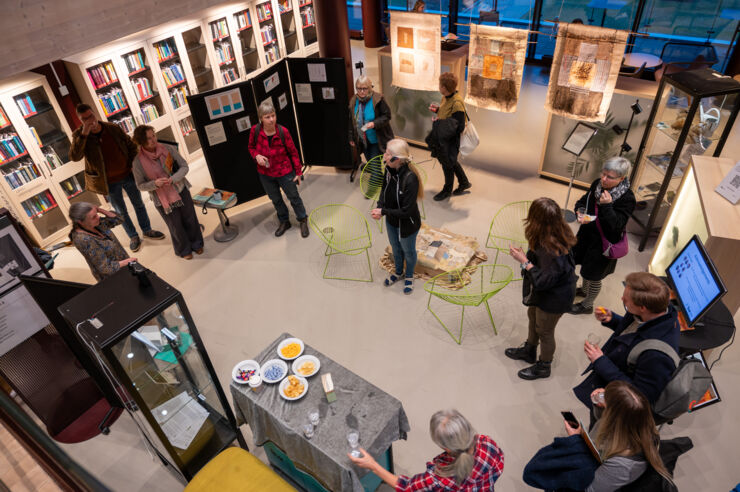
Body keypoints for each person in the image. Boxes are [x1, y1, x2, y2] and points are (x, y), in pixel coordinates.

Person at [573, 272, 679, 415]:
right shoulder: (659, 312)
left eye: (626, 300)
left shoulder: (657, 355)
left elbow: (640, 396)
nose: (622, 298)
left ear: (643, 308)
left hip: (617, 406)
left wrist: (600, 361)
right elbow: (635, 331)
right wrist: (613, 320)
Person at [69, 103, 165, 252]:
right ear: (80, 120)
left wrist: (135, 165)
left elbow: (131, 145)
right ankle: (133, 236)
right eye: (85, 119)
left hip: (127, 174)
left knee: (138, 204)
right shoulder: (79, 135)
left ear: (94, 113)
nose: (89, 120)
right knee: (120, 211)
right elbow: (75, 156)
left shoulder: (111, 128)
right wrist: (85, 132)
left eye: (91, 116)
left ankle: (147, 230)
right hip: (108, 182)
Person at [505, 197, 577, 380]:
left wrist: (524, 262)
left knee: (545, 330)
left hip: (555, 296)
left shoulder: (551, 248)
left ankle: (544, 366)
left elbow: (544, 281)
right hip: (546, 292)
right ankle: (529, 350)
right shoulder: (552, 233)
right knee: (533, 317)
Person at [349, 409, 504, 491]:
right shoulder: (488, 443)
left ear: (445, 448)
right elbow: (498, 467)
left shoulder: (440, 477)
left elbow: (406, 487)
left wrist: (373, 466)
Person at [566, 381, 674, 492]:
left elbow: (589, 489)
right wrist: (599, 407)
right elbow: (604, 423)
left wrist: (576, 443)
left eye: (605, 398)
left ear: (614, 417)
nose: (601, 396)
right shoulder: (640, 425)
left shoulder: (623, 465)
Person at [570, 157, 636, 315]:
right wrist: (579, 210)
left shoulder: (627, 199)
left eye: (609, 177)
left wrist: (607, 206)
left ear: (622, 178)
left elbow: (616, 226)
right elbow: (584, 201)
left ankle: (587, 305)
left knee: (594, 276)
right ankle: (584, 291)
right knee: (585, 269)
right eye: (603, 174)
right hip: (586, 236)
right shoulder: (597, 184)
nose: (604, 179)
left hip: (603, 244)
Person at [131, 125, 204, 260]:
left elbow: (184, 166)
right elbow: (140, 185)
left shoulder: (167, 148)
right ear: (141, 141)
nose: (153, 140)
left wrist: (173, 179)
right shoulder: (137, 162)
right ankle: (184, 249)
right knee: (175, 224)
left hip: (180, 189)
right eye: (148, 138)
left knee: (190, 218)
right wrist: (154, 184)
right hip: (162, 199)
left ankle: (197, 243)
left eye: (153, 135)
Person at [248, 100, 309, 238]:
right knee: (275, 199)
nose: (271, 120)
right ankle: (284, 221)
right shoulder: (255, 131)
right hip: (265, 174)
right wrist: (256, 155)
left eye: (273, 115)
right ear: (261, 119)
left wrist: (298, 172)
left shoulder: (283, 131)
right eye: (267, 117)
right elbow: (251, 147)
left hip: (285, 172)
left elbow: (293, 152)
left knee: (294, 197)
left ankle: (303, 219)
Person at [372, 139, 423, 295]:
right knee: (395, 248)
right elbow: (384, 190)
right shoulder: (388, 170)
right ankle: (399, 272)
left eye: (388, 153)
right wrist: (380, 206)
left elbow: (406, 211)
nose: (385, 156)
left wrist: (384, 212)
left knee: (408, 251)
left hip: (407, 224)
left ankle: (409, 276)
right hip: (392, 221)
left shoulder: (410, 179)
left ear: (397, 159)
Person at [426, 72, 472, 201]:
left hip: (450, 140)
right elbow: (447, 115)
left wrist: (439, 123)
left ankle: (447, 190)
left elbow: (459, 126)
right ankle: (464, 182)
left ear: (445, 88)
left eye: (440, 85)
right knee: (451, 161)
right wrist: (437, 111)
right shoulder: (445, 97)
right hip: (444, 137)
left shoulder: (457, 103)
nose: (439, 87)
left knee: (447, 164)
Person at [68, 202, 137, 281]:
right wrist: (127, 261)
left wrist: (99, 210)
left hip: (124, 266)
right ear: (80, 222)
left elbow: (119, 219)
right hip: (113, 278)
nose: (98, 217)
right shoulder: (83, 239)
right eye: (93, 217)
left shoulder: (96, 223)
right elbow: (105, 268)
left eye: (96, 214)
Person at [349, 76, 394, 165]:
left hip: (377, 140)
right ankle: (373, 173)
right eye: (359, 88)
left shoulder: (378, 98)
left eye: (364, 88)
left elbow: (387, 116)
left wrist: (374, 123)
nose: (361, 91)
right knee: (371, 162)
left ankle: (376, 177)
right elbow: (351, 121)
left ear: (369, 88)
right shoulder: (354, 100)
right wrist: (351, 137)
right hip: (363, 141)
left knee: (374, 166)